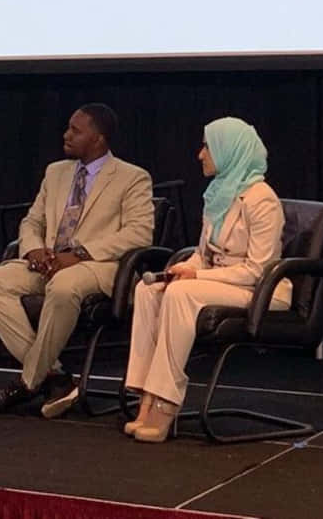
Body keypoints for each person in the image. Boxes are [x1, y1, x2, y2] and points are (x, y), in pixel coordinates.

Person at [0, 103, 153, 419]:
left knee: (64, 286)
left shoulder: (132, 177)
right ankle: (55, 376)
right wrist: (33, 249)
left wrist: (80, 253)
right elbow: (32, 221)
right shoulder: (56, 172)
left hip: (99, 266)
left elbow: (140, 233)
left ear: (98, 138)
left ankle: (27, 383)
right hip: (50, 262)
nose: (66, 135)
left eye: (75, 130)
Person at [122, 116, 286, 442]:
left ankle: (166, 402)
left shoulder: (262, 199)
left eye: (207, 147)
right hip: (222, 282)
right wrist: (185, 268)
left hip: (261, 291)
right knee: (148, 289)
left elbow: (258, 270)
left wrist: (197, 274)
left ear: (229, 149)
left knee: (182, 294)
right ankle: (145, 396)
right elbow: (204, 253)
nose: (200, 154)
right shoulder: (219, 194)